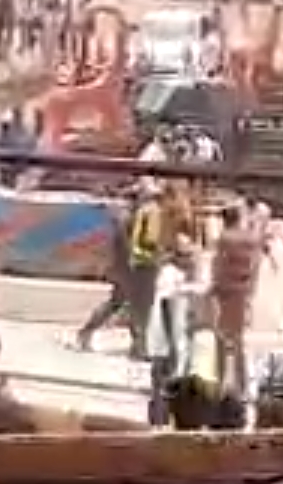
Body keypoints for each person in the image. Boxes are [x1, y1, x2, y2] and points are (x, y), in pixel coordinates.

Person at [148, 238, 204, 427]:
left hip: (175, 339)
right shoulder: (169, 274)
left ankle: (167, 418)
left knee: (174, 382)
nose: (191, 260)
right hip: (165, 339)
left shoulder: (184, 277)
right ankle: (159, 419)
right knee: (164, 381)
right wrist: (172, 344)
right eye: (187, 255)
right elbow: (166, 305)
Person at [210, 203, 259, 392]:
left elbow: (219, 266)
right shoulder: (250, 239)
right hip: (242, 292)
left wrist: (215, 287)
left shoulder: (225, 239)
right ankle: (242, 384)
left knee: (221, 340)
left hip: (225, 293)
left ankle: (220, 381)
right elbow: (254, 267)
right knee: (239, 341)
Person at [75, 210, 132, 351]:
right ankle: (86, 331)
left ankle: (86, 331)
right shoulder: (127, 223)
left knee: (120, 303)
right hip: (128, 270)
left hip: (125, 268)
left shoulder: (125, 221)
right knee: (121, 303)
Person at [127, 178, 164, 359]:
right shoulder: (154, 211)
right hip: (148, 261)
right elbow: (151, 238)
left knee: (138, 306)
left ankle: (137, 345)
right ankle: (141, 348)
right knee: (146, 307)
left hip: (137, 260)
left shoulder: (140, 210)